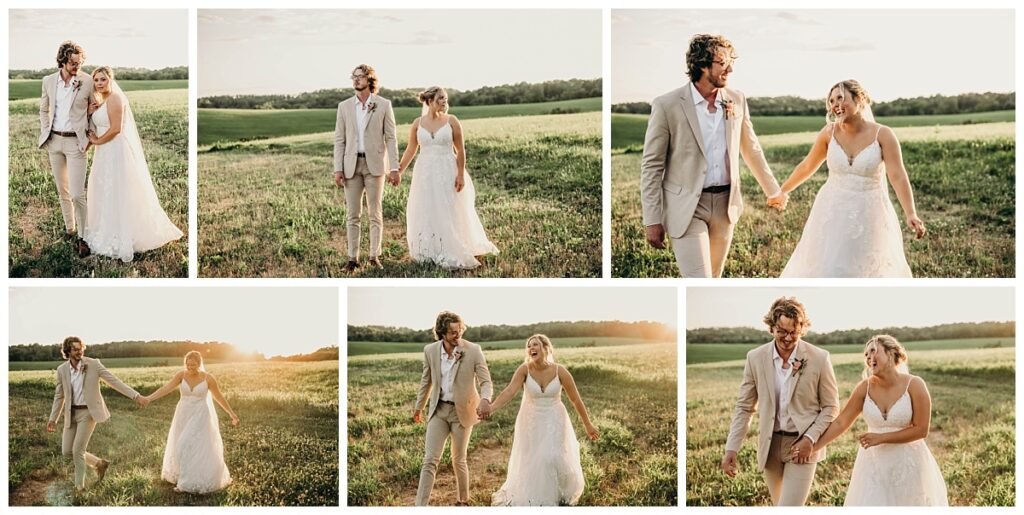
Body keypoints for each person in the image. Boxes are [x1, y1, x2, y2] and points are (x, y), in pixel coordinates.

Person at [640, 33, 785, 277]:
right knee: (698, 279)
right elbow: (652, 166)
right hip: (687, 206)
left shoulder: (736, 100)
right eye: (722, 62)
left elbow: (751, 148)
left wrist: (773, 190)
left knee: (714, 279)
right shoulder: (667, 105)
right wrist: (651, 219)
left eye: (731, 62)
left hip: (726, 206)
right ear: (701, 64)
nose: (729, 69)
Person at [777, 80, 927, 277]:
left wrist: (911, 213)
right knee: (828, 267)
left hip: (869, 211)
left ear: (859, 99)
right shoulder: (828, 133)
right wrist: (782, 191)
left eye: (841, 98)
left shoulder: (883, 135)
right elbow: (807, 166)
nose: (836, 105)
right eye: (831, 101)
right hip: (831, 210)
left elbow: (898, 176)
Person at [721, 297, 839, 506]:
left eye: (793, 332)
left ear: (802, 329)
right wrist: (732, 448)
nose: (787, 338)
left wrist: (810, 439)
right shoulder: (755, 358)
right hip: (770, 446)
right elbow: (744, 407)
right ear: (771, 327)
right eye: (781, 331)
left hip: (803, 445)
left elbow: (831, 407)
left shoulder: (819, 358)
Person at [806, 335, 948, 505]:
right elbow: (841, 422)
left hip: (909, 464)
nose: (868, 357)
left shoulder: (915, 384)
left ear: (891, 353)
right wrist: (813, 447)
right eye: (866, 354)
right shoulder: (864, 388)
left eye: (873, 351)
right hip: (873, 465)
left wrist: (881, 438)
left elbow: (921, 430)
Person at [83, 66, 183, 261]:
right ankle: (107, 228)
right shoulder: (100, 101)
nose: (99, 83)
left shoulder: (116, 98)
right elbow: (99, 123)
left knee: (119, 189)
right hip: (104, 152)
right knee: (104, 188)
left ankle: (126, 232)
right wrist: (89, 111)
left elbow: (115, 129)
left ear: (110, 80)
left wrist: (96, 141)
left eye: (103, 79)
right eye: (96, 80)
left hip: (114, 149)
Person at [486, 334, 599, 506]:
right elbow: (509, 392)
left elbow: (575, 399)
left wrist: (588, 424)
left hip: (555, 419)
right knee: (534, 459)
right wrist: (491, 408)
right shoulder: (524, 370)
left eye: (535, 344)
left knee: (551, 457)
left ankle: (559, 493)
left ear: (546, 348)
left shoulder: (560, 371)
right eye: (529, 345)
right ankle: (538, 499)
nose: (531, 348)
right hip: (531, 422)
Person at [393, 86, 498, 269]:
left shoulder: (452, 121)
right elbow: (411, 149)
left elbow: (460, 150)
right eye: (441, 98)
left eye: (446, 98)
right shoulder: (418, 123)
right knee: (427, 207)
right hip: (425, 172)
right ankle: (430, 248)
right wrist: (399, 170)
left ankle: (454, 244)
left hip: (447, 169)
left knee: (450, 207)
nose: (445, 101)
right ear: (430, 101)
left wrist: (460, 174)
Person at [47, 336, 148, 490]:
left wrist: (136, 396)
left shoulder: (93, 364)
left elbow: (114, 381)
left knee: (77, 451)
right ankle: (99, 464)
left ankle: (79, 488)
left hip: (88, 413)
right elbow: (59, 396)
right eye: (75, 349)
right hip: (71, 413)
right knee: (67, 451)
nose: (79, 351)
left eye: (80, 348)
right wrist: (53, 418)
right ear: (67, 351)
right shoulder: (62, 370)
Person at [413, 311, 493, 505]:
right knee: (430, 460)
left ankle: (463, 502)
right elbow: (427, 381)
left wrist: (485, 399)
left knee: (459, 460)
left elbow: (486, 381)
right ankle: (419, 506)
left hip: (463, 412)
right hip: (438, 411)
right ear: (442, 333)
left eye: (460, 331)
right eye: (453, 333)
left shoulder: (473, 350)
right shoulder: (430, 351)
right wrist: (419, 408)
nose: (458, 336)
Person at [333, 64, 400, 272]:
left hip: (376, 166)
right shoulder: (344, 106)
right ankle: (352, 259)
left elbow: (391, 138)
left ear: (370, 80)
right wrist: (338, 168)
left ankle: (374, 256)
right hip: (351, 165)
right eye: (353, 77)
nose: (355, 80)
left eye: (360, 77)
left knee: (375, 212)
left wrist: (395, 168)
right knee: (352, 214)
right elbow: (339, 140)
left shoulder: (383, 104)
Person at [145, 351, 238, 493]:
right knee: (181, 444)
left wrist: (231, 413)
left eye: (193, 365)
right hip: (183, 414)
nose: (190, 367)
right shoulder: (181, 375)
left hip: (200, 415)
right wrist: (149, 398)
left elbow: (218, 397)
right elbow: (166, 388)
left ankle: (186, 483)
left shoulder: (208, 378)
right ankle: (183, 475)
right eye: (188, 364)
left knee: (187, 443)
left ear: (199, 364)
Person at [38, 41, 94, 257]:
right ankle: (70, 230)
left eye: (79, 63)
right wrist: (46, 130)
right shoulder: (48, 81)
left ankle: (83, 237)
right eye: (72, 63)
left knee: (78, 193)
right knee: (63, 191)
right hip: (54, 142)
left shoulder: (87, 81)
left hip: (75, 143)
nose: (76, 67)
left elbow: (95, 109)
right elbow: (44, 109)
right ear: (62, 60)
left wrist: (89, 136)